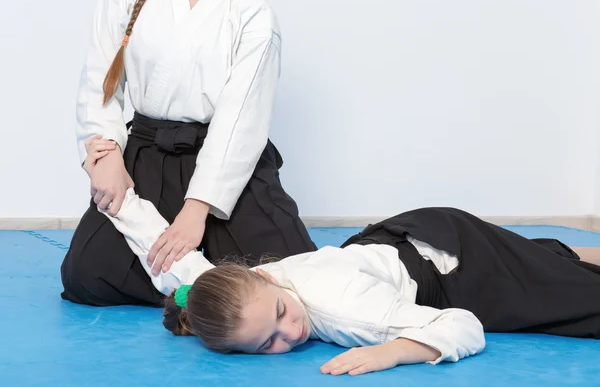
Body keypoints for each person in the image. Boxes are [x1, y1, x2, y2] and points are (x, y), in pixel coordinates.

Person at [84, 142, 600, 376]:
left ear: (263, 278)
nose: (292, 335)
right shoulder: (217, 290)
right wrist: (110, 179)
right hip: (395, 239)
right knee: (543, 265)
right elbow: (160, 250)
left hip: (453, 263)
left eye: (282, 316)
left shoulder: (354, 315)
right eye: (269, 344)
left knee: (583, 307)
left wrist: (393, 351)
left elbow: (463, 324)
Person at [60, 0, 317, 307]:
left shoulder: (250, 9)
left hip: (226, 160)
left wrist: (197, 210)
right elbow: (99, 77)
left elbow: (242, 118)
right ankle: (223, 298)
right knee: (89, 275)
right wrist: (107, 153)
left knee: (296, 276)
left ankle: (216, 294)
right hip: (148, 151)